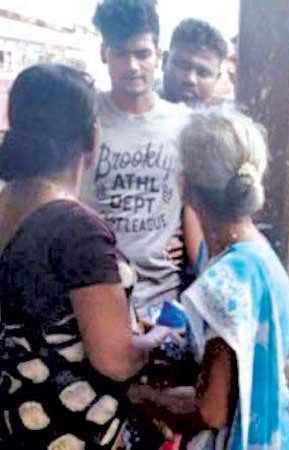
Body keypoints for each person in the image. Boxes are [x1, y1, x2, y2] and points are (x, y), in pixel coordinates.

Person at [0, 64, 172, 450]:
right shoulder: (77, 231)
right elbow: (114, 358)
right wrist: (157, 340)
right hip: (65, 433)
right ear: (92, 139)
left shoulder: (6, 206)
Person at [126, 110, 289, 450]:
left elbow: (211, 411)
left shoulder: (227, 280)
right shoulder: (254, 255)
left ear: (185, 185)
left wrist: (138, 394)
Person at [82, 0, 202, 322]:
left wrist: (199, 264)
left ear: (158, 57)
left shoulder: (184, 124)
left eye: (142, 54)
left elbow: (194, 201)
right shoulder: (83, 117)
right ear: (104, 53)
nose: (133, 65)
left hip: (162, 299)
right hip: (92, 297)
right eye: (121, 53)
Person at [162, 18, 229, 107]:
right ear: (164, 61)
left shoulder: (226, 117)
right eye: (183, 66)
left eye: (203, 73)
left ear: (216, 79)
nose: (190, 79)